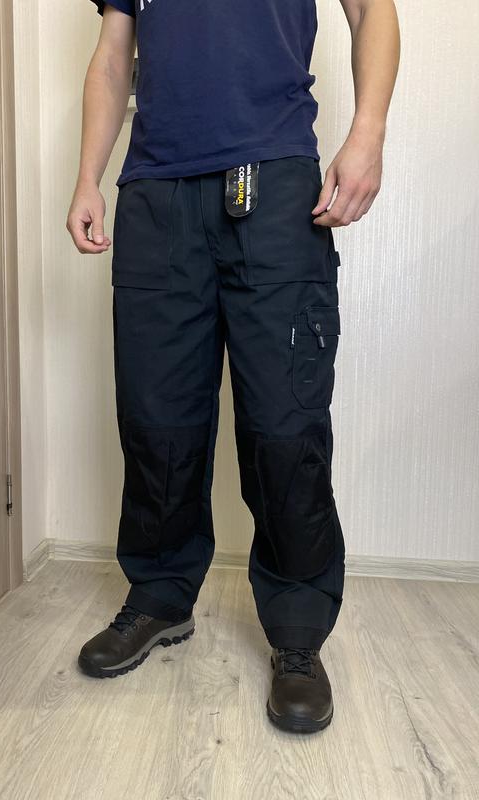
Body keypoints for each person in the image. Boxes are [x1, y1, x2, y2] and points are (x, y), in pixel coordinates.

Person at [67, 0, 400, 734]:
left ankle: (298, 630)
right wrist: (89, 176)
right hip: (155, 192)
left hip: (274, 181)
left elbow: (373, 9)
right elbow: (114, 54)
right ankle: (159, 595)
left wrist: (368, 132)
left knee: (285, 422)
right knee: (156, 417)